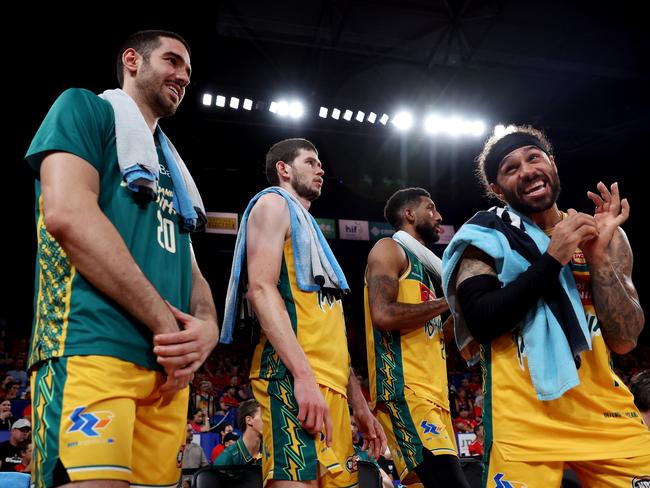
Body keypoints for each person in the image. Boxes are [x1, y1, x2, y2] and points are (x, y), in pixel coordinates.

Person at [24, 30, 219, 487]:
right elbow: (68, 215)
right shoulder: (83, 108)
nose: (183, 76)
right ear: (132, 60)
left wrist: (207, 326)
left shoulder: (167, 166)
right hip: (92, 349)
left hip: (167, 375)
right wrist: (166, 324)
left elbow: (189, 267)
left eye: (188, 71)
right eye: (173, 62)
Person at [442, 125, 650, 486]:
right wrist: (553, 259)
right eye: (510, 168)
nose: (526, 170)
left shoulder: (603, 236)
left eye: (533, 157)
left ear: (552, 164)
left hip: (606, 415)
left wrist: (598, 258)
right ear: (497, 189)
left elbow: (625, 339)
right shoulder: (484, 238)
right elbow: (482, 321)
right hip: (524, 420)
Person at [223, 138, 386, 487]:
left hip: (331, 385)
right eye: (310, 162)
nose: (320, 168)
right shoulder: (273, 204)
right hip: (293, 377)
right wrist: (303, 376)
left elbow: (330, 326)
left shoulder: (312, 233)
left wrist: (358, 401)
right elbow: (261, 289)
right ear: (284, 169)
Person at [365, 187, 470, 488]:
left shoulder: (428, 271)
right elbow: (382, 315)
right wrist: (450, 300)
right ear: (409, 214)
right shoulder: (389, 249)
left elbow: (438, 335)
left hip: (435, 395)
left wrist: (465, 311)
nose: (439, 216)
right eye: (431, 208)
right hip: (406, 390)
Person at [213, 399, 263, 466]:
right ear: (249, 420)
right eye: (264, 416)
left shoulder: (273, 453)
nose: (269, 421)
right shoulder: (226, 459)